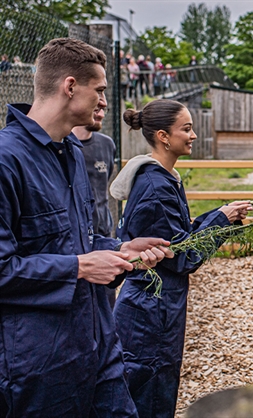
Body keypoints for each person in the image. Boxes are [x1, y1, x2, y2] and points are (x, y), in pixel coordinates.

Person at [0, 38, 173, 417]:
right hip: (40, 365)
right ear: (70, 86)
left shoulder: (74, 154)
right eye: (100, 90)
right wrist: (79, 267)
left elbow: (82, 239)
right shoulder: (6, 160)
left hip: (99, 348)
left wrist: (121, 249)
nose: (105, 102)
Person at [110, 99, 253, 418]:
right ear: (163, 136)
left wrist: (220, 215)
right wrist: (220, 222)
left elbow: (177, 236)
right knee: (148, 394)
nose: (193, 136)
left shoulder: (162, 177)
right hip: (150, 309)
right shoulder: (156, 186)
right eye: (186, 129)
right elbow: (182, 256)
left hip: (155, 306)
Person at [72, 107, 117, 307]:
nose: (101, 112)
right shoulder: (65, 147)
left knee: (107, 301)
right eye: (97, 107)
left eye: (105, 109)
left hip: (103, 235)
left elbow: (104, 183)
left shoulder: (106, 144)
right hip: (76, 243)